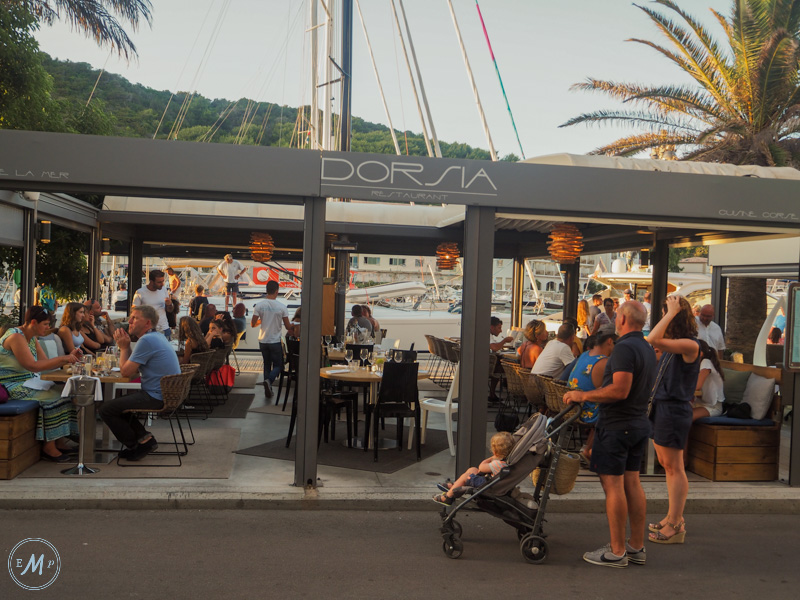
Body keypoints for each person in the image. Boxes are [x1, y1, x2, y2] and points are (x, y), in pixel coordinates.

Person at [563, 301, 655, 568]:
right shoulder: (647, 347)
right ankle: (636, 546)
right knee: (632, 483)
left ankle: (616, 551)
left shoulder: (624, 348)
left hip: (617, 425)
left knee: (613, 486)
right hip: (637, 422)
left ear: (622, 319)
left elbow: (620, 390)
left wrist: (583, 395)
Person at [646, 295, 701, 545]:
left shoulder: (690, 345)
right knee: (666, 464)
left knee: (674, 467)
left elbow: (652, 338)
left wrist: (670, 312)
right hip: (663, 408)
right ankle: (672, 516)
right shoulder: (675, 346)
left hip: (674, 410)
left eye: (666, 314)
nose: (663, 318)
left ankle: (677, 523)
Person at [0, 306, 81, 462]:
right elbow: (33, 366)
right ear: (33, 322)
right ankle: (48, 447)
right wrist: (63, 359)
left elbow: (45, 363)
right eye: (45, 324)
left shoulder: (31, 337)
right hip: (10, 384)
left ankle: (59, 441)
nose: (48, 327)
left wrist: (69, 357)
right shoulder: (16, 337)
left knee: (65, 393)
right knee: (54, 398)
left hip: (28, 381)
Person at [100, 305, 181, 461]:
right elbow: (132, 369)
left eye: (135, 318)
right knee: (117, 406)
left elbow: (126, 372)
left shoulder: (147, 340)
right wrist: (126, 347)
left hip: (156, 396)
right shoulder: (155, 337)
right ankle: (144, 439)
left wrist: (124, 347)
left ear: (147, 323)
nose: (130, 321)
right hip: (166, 394)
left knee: (106, 409)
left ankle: (138, 444)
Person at [566, 332, 616, 465]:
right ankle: (591, 450)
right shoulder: (604, 362)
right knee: (613, 407)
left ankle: (588, 448)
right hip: (586, 411)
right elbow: (612, 389)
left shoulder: (584, 355)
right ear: (609, 341)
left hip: (572, 407)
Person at [432, 431, 514, 506]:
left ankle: (447, 497)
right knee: (472, 469)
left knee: (465, 477)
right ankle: (455, 486)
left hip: (487, 485)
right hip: (490, 481)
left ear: (494, 451)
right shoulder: (504, 462)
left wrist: (491, 458)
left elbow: (481, 467)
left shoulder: (497, 464)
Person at [251, 280, 292, 398]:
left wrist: (262, 321)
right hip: (275, 341)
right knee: (279, 365)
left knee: (266, 364)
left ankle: (267, 390)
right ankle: (269, 381)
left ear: (266, 290)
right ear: (277, 291)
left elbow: (253, 324)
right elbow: (288, 326)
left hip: (263, 340)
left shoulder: (259, 305)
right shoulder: (282, 307)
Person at [132, 269, 173, 338]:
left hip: (164, 328)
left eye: (163, 281)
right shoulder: (140, 292)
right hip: (147, 329)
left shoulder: (163, 290)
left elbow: (170, 310)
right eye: (159, 282)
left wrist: (169, 304)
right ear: (151, 282)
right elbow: (134, 311)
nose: (162, 284)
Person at [692, 340, 724, 420]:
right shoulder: (697, 365)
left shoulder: (706, 362)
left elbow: (697, 386)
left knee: (685, 417)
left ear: (700, 353)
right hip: (699, 403)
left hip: (712, 406)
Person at [489, 316, 513, 401]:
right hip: (486, 366)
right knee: (507, 367)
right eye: (499, 328)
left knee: (500, 364)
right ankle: (510, 389)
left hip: (485, 364)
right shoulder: (487, 335)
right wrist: (504, 340)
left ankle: (493, 393)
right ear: (492, 327)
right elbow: (494, 348)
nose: (501, 331)